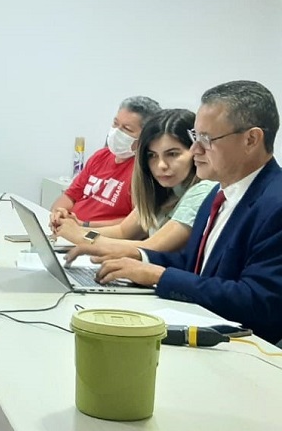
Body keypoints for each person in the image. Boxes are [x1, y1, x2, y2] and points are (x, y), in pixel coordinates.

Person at [80, 81, 282, 343]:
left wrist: (159, 276)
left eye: (206, 139)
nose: (195, 149)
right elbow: (193, 265)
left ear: (251, 139)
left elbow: (259, 300)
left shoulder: (275, 203)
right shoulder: (217, 193)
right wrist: (140, 259)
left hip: (248, 347)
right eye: (196, 136)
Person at [56, 109, 216, 254]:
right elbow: (122, 232)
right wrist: (75, 228)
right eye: (152, 155)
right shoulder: (164, 189)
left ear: (195, 151)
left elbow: (151, 247)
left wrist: (80, 236)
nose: (161, 165)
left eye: (172, 154)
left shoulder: (203, 190)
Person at [50, 96, 161, 229]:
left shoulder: (144, 170)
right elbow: (70, 195)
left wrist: (83, 226)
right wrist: (59, 213)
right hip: (71, 230)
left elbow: (136, 223)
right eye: (115, 123)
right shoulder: (100, 156)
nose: (116, 131)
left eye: (127, 129)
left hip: (98, 235)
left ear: (146, 136)